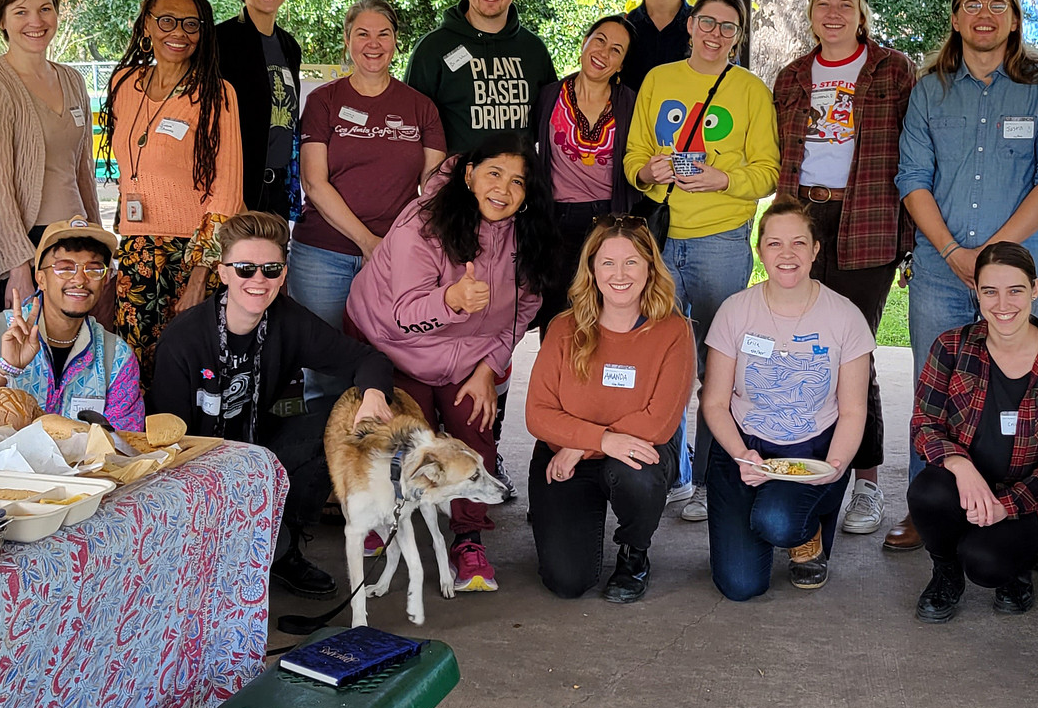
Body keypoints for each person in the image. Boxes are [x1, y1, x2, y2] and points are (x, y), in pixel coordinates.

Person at [888, 0, 1038, 551]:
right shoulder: (930, 89)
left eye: (998, 5)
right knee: (935, 389)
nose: (985, 15)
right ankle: (928, 507)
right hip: (942, 269)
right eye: (972, 5)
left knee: (1025, 394)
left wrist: (993, 263)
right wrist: (951, 251)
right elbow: (912, 179)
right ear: (955, 18)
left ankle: (1031, 517)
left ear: (1015, 19)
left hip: (1016, 275)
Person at [346, 133, 554, 593]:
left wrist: (488, 369)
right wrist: (452, 300)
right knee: (402, 434)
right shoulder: (423, 223)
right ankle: (383, 517)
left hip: (467, 353)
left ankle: (468, 539)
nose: (503, 189)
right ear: (468, 174)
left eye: (518, 182)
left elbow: (525, 309)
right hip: (393, 342)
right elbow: (403, 316)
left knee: (473, 422)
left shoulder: (528, 235)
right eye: (493, 173)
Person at [153, 212, 396, 599]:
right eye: (245, 269)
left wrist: (373, 395)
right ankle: (212, 552)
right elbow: (164, 440)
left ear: (283, 275)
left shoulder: (288, 321)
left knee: (337, 420)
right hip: (195, 465)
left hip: (257, 447)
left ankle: (284, 547)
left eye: (270, 269)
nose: (258, 280)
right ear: (223, 273)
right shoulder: (183, 340)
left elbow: (369, 360)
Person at [624, 0, 780, 522]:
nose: (716, 34)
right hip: (662, 240)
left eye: (728, 27)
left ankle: (716, 480)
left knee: (720, 363)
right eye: (707, 23)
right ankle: (669, 471)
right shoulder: (659, 80)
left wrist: (723, 178)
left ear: (738, 37)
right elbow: (634, 156)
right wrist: (648, 172)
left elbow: (767, 173)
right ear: (691, 26)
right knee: (659, 358)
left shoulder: (750, 91)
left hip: (720, 240)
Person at [772, 0, 916, 538]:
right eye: (822, 3)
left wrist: (907, 241)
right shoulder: (792, 76)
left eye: (844, 3)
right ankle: (804, 467)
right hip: (803, 216)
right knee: (799, 348)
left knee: (854, 355)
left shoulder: (891, 70)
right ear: (810, 15)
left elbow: (913, 154)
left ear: (861, 13)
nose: (832, 13)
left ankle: (868, 484)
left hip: (867, 219)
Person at [908, 241, 1038, 623]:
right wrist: (961, 466)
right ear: (976, 291)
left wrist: (1006, 505)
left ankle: (1015, 567)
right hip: (967, 488)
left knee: (986, 563)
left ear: (1036, 289)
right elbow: (924, 425)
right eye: (990, 291)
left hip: (1032, 499)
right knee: (927, 489)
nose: (1002, 304)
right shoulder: (952, 346)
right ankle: (945, 571)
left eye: (1015, 290)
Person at [702, 199, 872, 600]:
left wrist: (833, 467)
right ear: (759, 250)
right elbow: (713, 403)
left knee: (777, 521)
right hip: (744, 447)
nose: (787, 254)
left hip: (811, 449)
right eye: (775, 243)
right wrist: (742, 455)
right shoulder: (735, 311)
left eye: (799, 243)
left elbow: (852, 410)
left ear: (815, 249)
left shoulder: (845, 316)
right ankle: (766, 517)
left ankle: (805, 530)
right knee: (740, 586)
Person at [526, 217, 695, 603]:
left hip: (633, 454)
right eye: (607, 262)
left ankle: (634, 554)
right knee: (567, 582)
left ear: (650, 268)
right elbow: (537, 414)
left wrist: (582, 444)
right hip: (567, 458)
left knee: (636, 473)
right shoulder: (564, 328)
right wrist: (598, 440)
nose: (620, 274)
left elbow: (661, 421)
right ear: (591, 269)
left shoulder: (673, 330)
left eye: (631, 262)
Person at [102, 0, 243, 380]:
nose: (178, 33)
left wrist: (201, 275)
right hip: (136, 252)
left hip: (193, 254)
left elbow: (226, 196)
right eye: (166, 21)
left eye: (190, 24)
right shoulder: (123, 85)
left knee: (192, 373)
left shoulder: (217, 93)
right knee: (133, 372)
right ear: (146, 25)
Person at [289, 0, 445, 334]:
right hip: (322, 255)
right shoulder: (323, 101)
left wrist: (397, 249)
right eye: (362, 34)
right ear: (347, 40)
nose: (373, 44)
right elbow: (314, 183)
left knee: (388, 362)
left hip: (396, 258)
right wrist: (368, 242)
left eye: (383, 34)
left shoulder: (421, 107)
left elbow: (433, 190)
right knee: (325, 369)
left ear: (395, 41)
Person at [0, 216, 146, 433]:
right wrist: (1, 373)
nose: (79, 279)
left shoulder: (116, 358)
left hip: (81, 479)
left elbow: (124, 446)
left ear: (105, 281)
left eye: (93, 269)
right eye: (65, 268)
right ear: (40, 279)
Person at [0, 0, 99, 308]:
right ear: (1, 20)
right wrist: (18, 267)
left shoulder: (71, 80)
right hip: (31, 245)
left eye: (45, 9)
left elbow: (84, 171)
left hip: (78, 237)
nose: (36, 22)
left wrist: (99, 243)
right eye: (21, 12)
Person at [529, 15, 642, 328]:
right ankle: (560, 376)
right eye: (600, 40)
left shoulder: (630, 104)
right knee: (557, 315)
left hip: (609, 220)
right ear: (584, 43)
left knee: (606, 310)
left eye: (616, 50)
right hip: (557, 221)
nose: (604, 53)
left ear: (620, 65)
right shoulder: (548, 96)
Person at [404, 0, 557, 154]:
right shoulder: (433, 49)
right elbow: (411, 128)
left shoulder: (533, 50)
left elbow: (553, 122)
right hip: (455, 184)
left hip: (518, 184)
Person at [215, 0, 304, 217]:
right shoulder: (220, 42)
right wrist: (232, 197)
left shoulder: (289, 46)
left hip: (278, 187)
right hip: (235, 191)